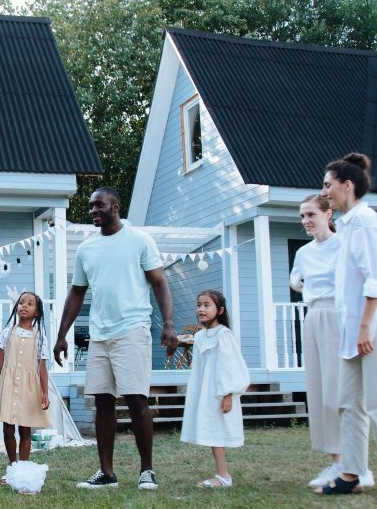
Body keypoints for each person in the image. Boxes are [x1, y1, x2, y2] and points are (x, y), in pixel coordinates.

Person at [53, 187, 178, 490]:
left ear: (116, 206)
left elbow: (159, 282)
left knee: (137, 400)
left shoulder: (138, 240)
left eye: (99, 205)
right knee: (102, 402)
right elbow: (77, 292)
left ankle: (146, 471)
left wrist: (169, 324)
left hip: (132, 330)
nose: (94, 210)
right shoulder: (87, 249)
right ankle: (107, 474)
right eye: (91, 206)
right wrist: (61, 336)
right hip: (99, 335)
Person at [315, 153, 377, 501]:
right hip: (354, 330)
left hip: (375, 327)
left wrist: (364, 329)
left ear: (348, 186)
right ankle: (351, 474)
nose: (324, 191)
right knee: (349, 403)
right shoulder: (347, 225)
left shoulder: (366, 222)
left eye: (328, 185)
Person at [290, 195, 374, 490]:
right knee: (321, 393)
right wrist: (300, 283)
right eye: (302, 216)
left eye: (311, 214)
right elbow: (295, 281)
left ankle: (359, 466)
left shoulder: (344, 244)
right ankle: (337, 462)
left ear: (328, 214)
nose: (306, 221)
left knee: (344, 393)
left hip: (340, 316)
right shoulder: (303, 252)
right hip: (314, 316)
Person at [180, 290, 251, 489]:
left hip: (220, 392)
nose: (201, 309)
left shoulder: (224, 335)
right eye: (199, 305)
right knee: (211, 431)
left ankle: (223, 475)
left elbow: (231, 366)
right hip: (205, 391)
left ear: (219, 310)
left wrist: (228, 394)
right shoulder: (201, 336)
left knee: (217, 432)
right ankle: (221, 474)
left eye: (206, 305)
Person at [0, 291, 51, 486]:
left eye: (30, 303)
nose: (24, 306)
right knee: (8, 427)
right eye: (21, 302)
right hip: (8, 385)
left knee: (25, 429)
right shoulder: (7, 333)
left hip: (29, 388)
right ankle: (12, 467)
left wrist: (45, 393)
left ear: (37, 312)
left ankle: (23, 470)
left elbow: (42, 367)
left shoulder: (40, 337)